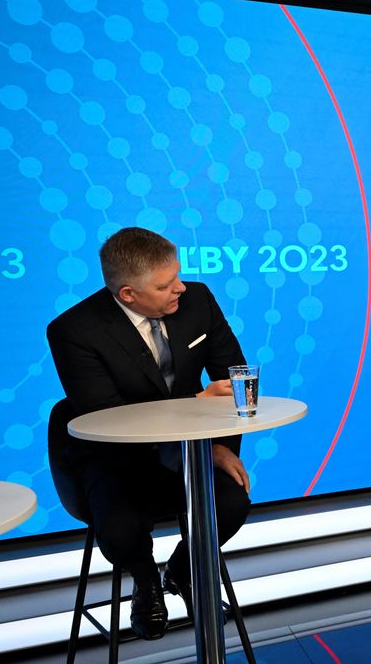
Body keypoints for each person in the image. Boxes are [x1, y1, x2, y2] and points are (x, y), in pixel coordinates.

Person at [47, 227, 250, 640]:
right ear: (128, 294)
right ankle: (145, 582)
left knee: (231, 504)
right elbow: (108, 419)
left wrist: (218, 447)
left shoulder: (197, 300)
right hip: (117, 459)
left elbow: (235, 378)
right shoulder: (74, 330)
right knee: (120, 530)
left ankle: (182, 570)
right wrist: (196, 402)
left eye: (178, 276)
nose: (180, 288)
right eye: (165, 285)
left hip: (189, 452)